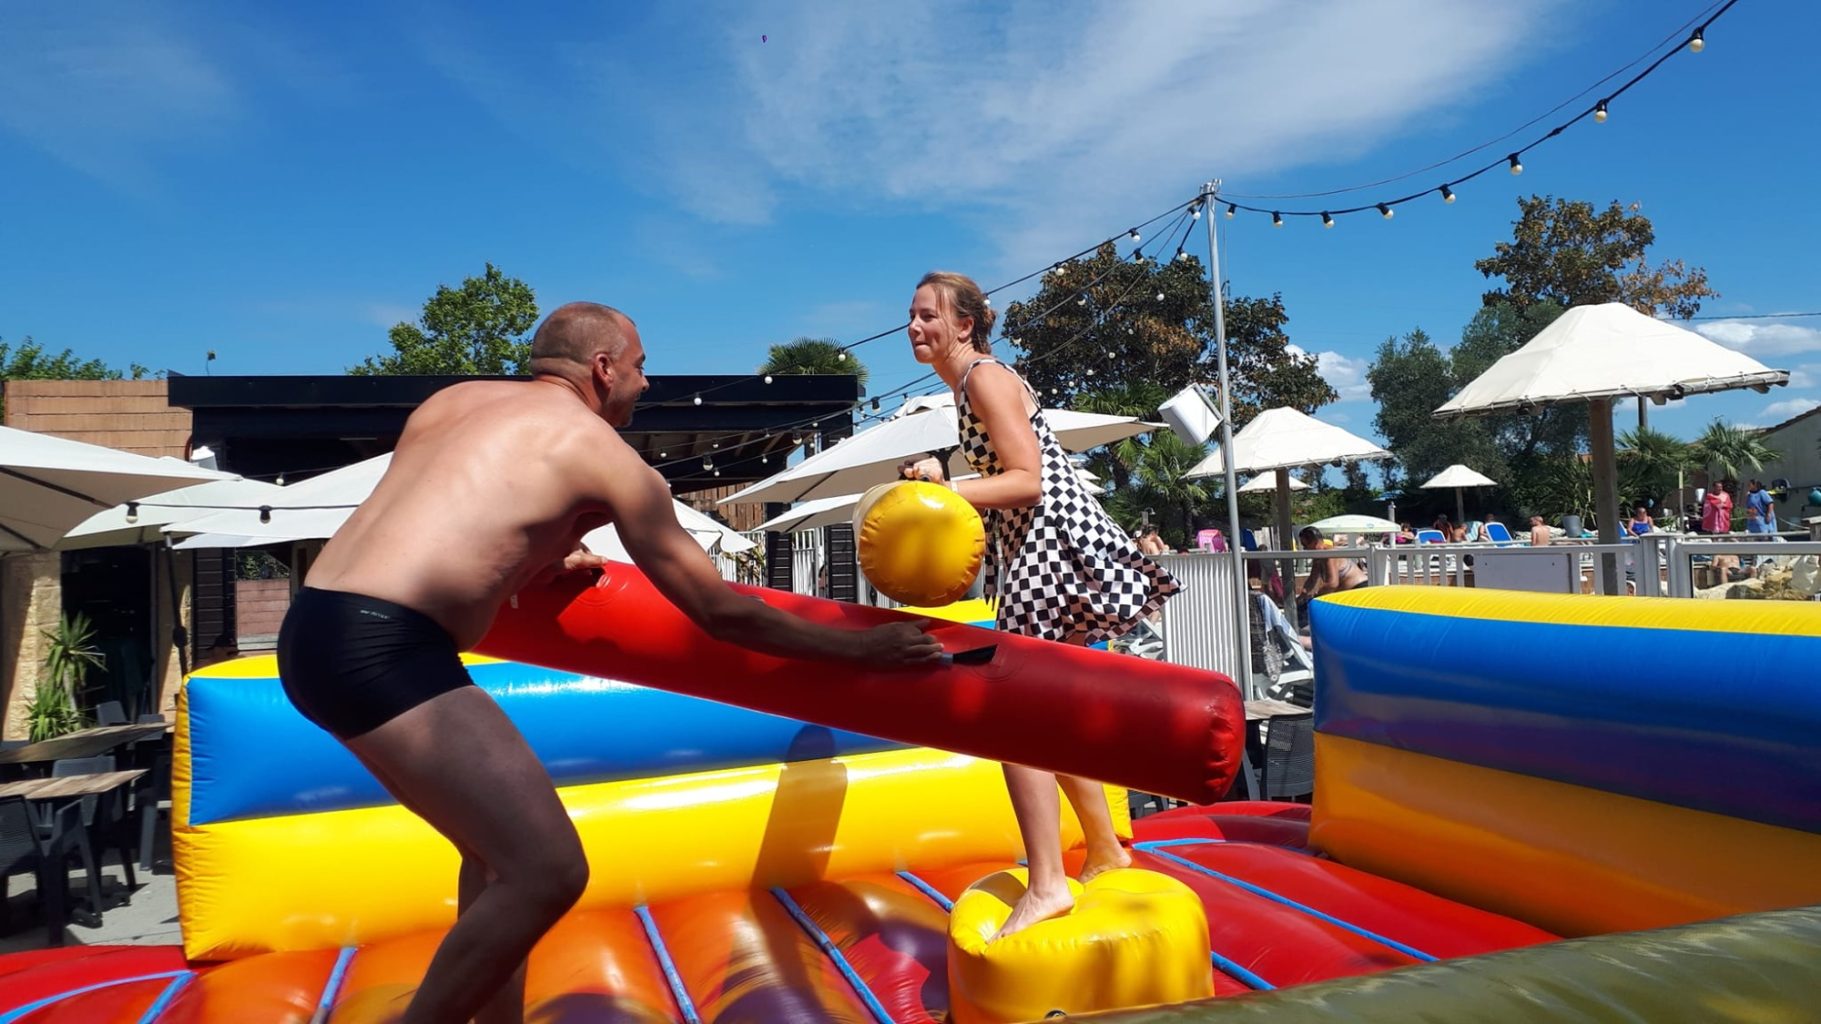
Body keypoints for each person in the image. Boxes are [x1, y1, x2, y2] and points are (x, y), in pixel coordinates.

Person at [276, 303, 940, 1024]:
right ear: (603, 368)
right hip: (387, 646)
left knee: (495, 859)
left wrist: (540, 554)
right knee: (548, 870)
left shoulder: (452, 402)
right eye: (640, 366)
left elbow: (448, 517)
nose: (645, 383)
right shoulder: (605, 456)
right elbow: (721, 612)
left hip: (313, 626)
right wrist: (864, 648)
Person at [897, 271, 1178, 941]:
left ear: (964, 325)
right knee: (1047, 711)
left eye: (928, 315)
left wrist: (944, 490)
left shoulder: (984, 379)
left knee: (1012, 716)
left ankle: (1048, 882)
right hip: (1039, 545)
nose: (914, 327)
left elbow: (1026, 480)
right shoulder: (972, 384)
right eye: (912, 315)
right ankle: (1104, 848)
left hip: (1048, 547)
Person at [1297, 526, 1368, 603]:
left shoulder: (1328, 554)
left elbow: (1332, 584)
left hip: (1359, 588)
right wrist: (1301, 597)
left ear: (1315, 542)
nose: (1304, 549)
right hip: (1350, 593)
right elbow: (1312, 580)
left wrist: (1316, 597)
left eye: (1305, 545)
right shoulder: (1318, 557)